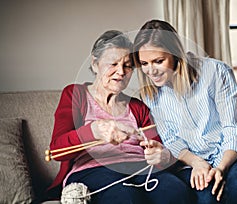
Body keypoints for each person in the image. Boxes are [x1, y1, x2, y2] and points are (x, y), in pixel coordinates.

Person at [46, 30, 192, 203]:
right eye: (113, 64)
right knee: (126, 198)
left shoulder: (138, 106)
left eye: (128, 65)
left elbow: (157, 146)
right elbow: (56, 151)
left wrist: (160, 155)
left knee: (177, 192)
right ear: (95, 64)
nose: (121, 72)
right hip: (93, 169)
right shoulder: (75, 94)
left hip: (141, 169)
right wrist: (94, 131)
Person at [133, 19, 237, 204]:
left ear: (175, 54)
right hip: (193, 163)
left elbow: (235, 128)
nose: (151, 71)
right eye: (144, 63)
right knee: (206, 195)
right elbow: (171, 140)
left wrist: (220, 168)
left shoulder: (215, 72)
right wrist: (197, 163)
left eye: (158, 61)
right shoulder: (150, 95)